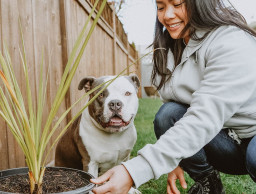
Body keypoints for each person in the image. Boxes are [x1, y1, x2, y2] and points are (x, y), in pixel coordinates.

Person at [90, 0, 256, 193]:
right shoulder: (169, 48)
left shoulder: (231, 41)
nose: (167, 15)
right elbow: (175, 111)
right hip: (226, 140)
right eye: (161, 7)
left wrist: (134, 171)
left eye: (177, 4)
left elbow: (203, 118)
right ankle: (209, 183)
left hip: (249, 133)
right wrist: (174, 160)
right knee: (168, 114)